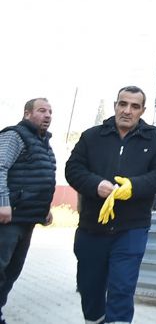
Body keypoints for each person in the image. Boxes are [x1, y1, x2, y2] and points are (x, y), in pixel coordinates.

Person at [65, 86, 156, 324]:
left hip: (132, 228)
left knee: (122, 287)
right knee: (89, 287)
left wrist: (133, 187)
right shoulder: (91, 136)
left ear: (142, 110)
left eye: (134, 106)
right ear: (115, 105)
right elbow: (73, 169)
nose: (127, 110)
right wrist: (95, 185)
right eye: (123, 104)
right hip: (92, 226)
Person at [0, 98, 56, 324]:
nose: (48, 115)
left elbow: (38, 178)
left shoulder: (42, 142)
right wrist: (2, 202)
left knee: (12, 271)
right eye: (42, 110)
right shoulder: (15, 135)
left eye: (50, 112)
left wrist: (45, 209)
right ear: (26, 114)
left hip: (28, 219)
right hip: (9, 218)